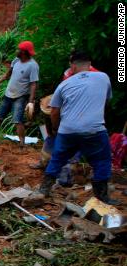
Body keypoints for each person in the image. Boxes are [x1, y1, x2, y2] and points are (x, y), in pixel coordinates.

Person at [40, 50, 116, 205]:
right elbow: (106, 101)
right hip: (94, 129)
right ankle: (101, 196)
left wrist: (56, 129)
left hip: (68, 130)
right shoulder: (103, 78)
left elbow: (54, 112)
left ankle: (44, 189)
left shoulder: (64, 84)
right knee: (102, 160)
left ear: (73, 66)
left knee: (57, 158)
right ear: (89, 64)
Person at [0, 41, 39, 148]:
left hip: (20, 97)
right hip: (8, 94)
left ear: (24, 52)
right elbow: (8, 74)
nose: (16, 51)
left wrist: (30, 102)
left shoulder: (33, 66)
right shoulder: (16, 61)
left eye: (19, 49)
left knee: (17, 121)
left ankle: (22, 144)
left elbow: (33, 84)